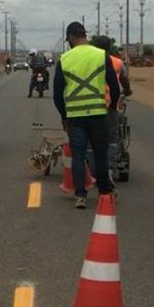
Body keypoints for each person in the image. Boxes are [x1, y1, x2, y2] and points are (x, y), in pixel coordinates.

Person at [53, 22, 121, 209]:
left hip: (75, 117)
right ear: (84, 35)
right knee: (100, 154)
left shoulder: (65, 59)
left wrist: (64, 116)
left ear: (71, 37)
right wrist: (111, 107)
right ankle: (105, 192)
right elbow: (114, 87)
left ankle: (80, 195)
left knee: (78, 155)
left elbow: (57, 94)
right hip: (99, 114)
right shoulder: (101, 55)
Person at [90, 35, 132, 182]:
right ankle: (109, 168)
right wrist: (127, 91)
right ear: (109, 48)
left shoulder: (89, 61)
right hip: (109, 105)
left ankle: (91, 168)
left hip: (91, 104)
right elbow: (124, 81)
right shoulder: (117, 62)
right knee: (113, 138)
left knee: (91, 137)